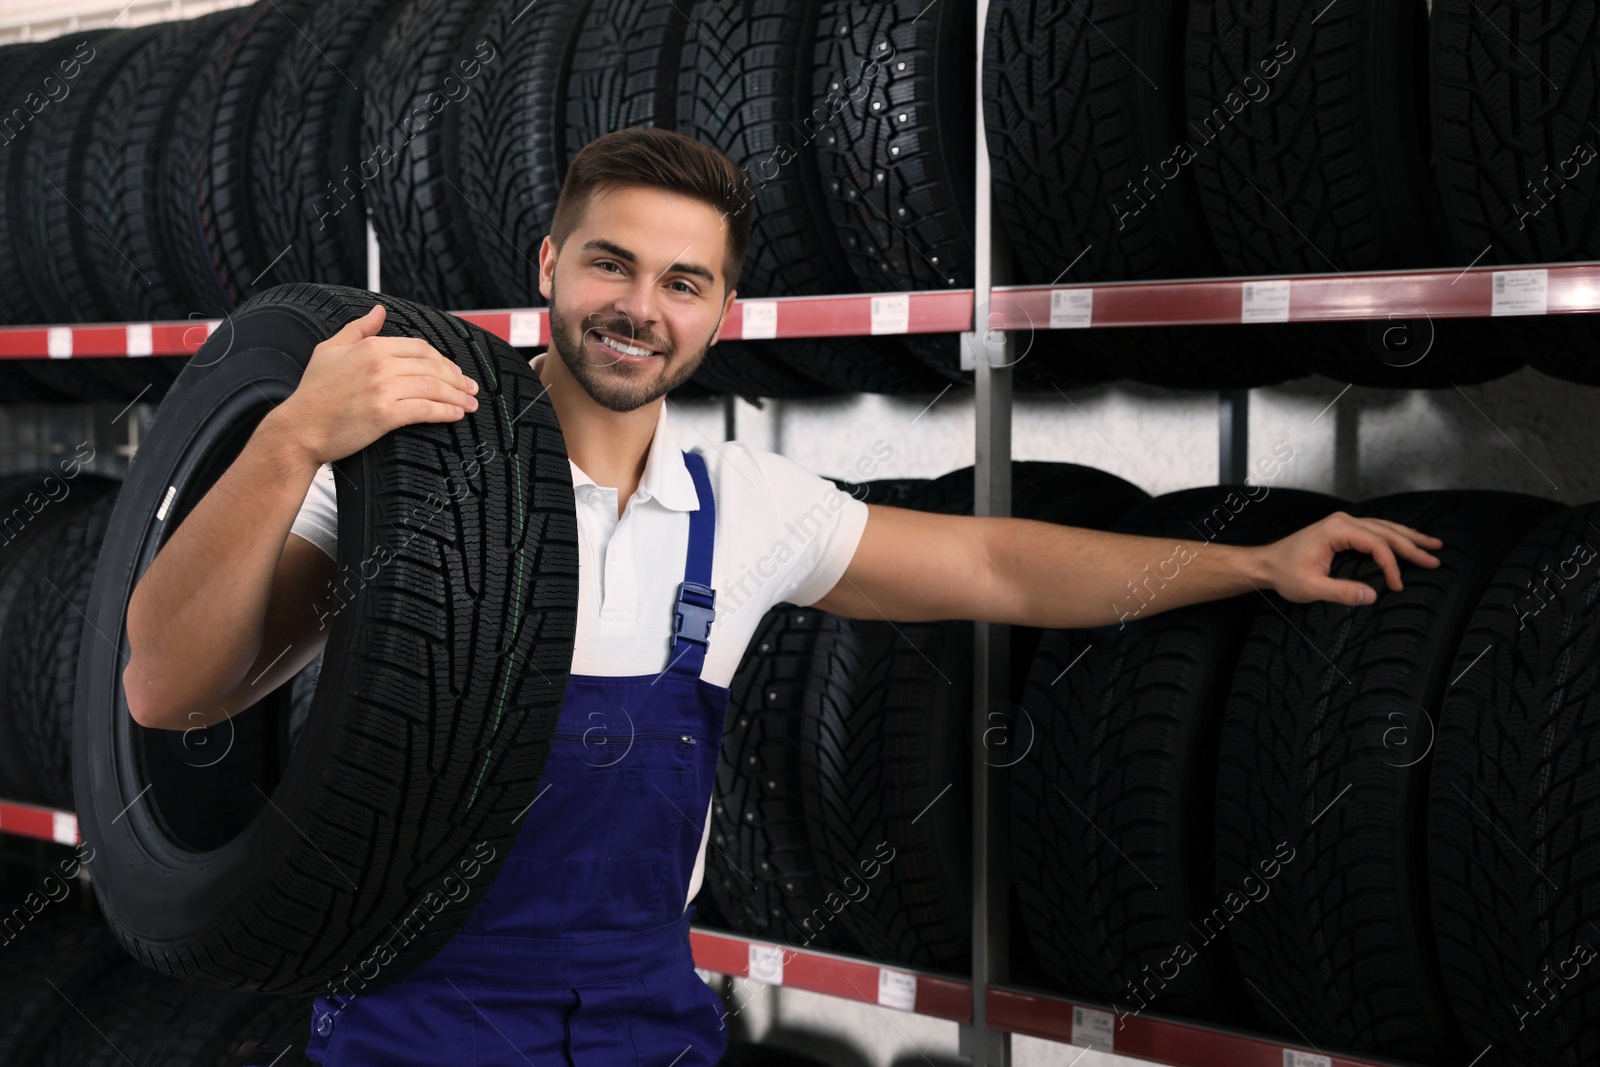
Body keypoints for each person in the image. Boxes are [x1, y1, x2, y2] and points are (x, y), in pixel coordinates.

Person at [122, 126, 1442, 1066]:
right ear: (546, 265)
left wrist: (1252, 561)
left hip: (648, 1025)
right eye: (610, 264)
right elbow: (169, 685)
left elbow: (994, 565)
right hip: (423, 1028)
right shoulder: (398, 474)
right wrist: (290, 438)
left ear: (721, 312)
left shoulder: (740, 510)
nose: (639, 308)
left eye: (681, 283)